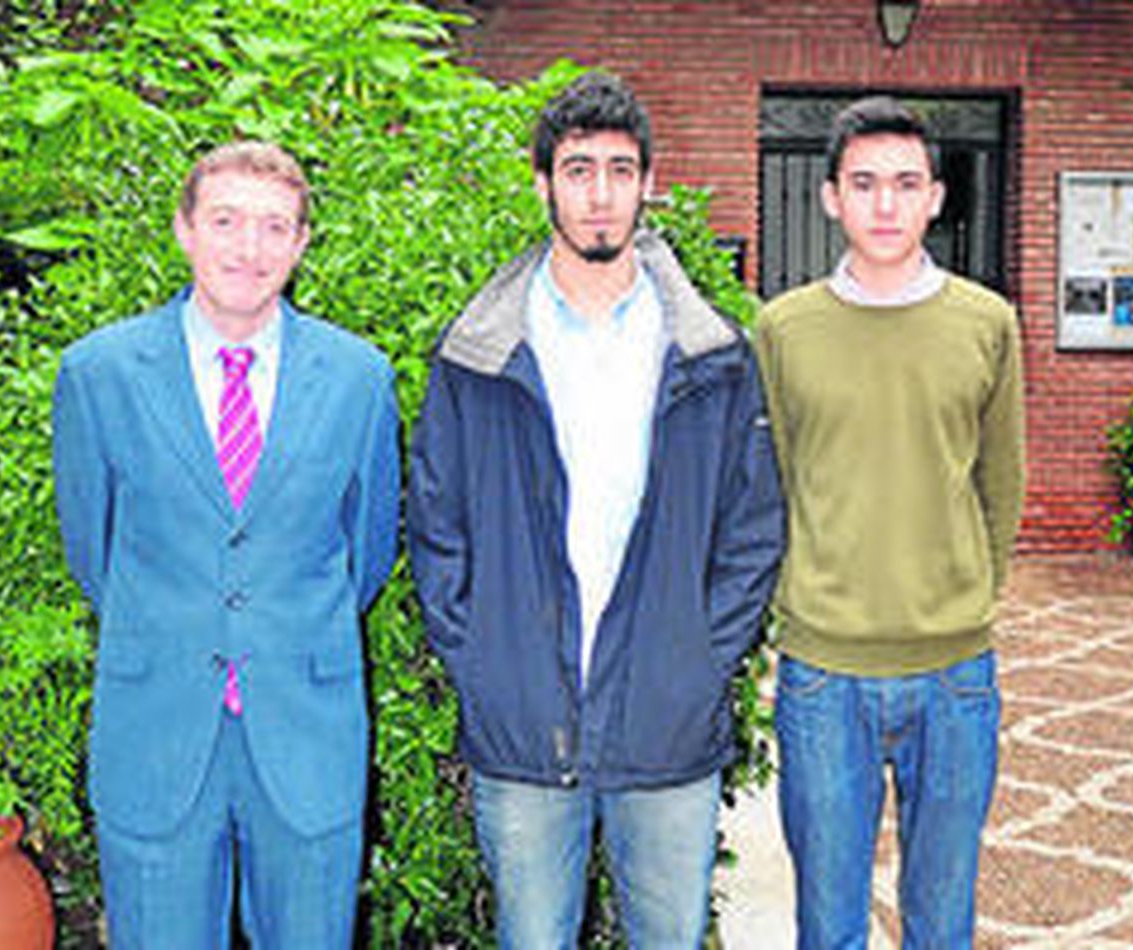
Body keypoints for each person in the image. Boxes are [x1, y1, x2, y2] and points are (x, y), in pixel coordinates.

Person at [406, 72, 784, 948]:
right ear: (543, 184)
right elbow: (438, 527)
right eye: (579, 170)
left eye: (620, 169)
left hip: (668, 721)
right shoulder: (478, 357)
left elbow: (752, 530)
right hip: (524, 725)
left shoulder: (711, 356)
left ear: (650, 183)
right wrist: (486, 662)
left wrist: (697, 656)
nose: (601, 194)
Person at [53, 141, 400, 949]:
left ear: (303, 242)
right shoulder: (100, 375)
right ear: (184, 230)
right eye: (226, 222)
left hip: (308, 734)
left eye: (275, 226)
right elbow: (93, 551)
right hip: (158, 733)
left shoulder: (359, 379)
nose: (250, 248)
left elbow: (366, 551)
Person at [753, 96, 1025, 948]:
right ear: (831, 196)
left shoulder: (987, 324)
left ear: (936, 198)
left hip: (955, 674)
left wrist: (967, 594)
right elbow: (778, 484)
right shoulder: (784, 328)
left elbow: (1001, 484)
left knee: (941, 922)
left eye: (905, 184)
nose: (884, 204)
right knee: (829, 924)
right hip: (822, 674)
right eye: (864, 183)